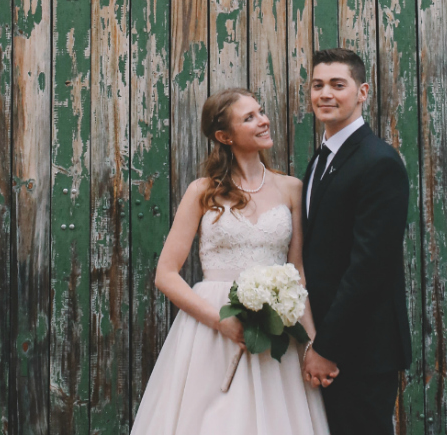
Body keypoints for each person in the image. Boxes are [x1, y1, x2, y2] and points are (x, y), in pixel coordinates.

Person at [129, 88, 329, 435]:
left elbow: (298, 274)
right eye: (249, 117)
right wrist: (219, 322)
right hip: (212, 328)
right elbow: (166, 274)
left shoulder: (291, 188)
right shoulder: (202, 192)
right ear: (225, 136)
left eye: (261, 111)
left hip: (274, 329)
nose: (263, 120)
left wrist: (312, 344)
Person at [298, 48, 413, 435]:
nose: (325, 94)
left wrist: (326, 347)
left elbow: (370, 267)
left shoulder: (378, 161)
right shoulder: (321, 159)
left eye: (337, 85)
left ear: (362, 92)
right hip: (322, 343)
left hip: (360, 349)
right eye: (317, 85)